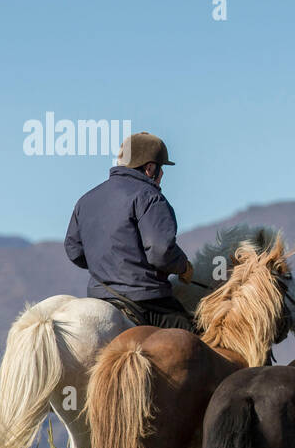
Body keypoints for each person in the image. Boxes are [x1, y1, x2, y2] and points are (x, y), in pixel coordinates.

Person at [64, 132, 196, 331]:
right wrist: (183, 267)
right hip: (146, 301)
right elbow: (161, 252)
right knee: (196, 341)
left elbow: (74, 250)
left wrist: (109, 268)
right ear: (150, 168)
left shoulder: (86, 200)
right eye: (161, 169)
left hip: (100, 296)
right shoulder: (149, 197)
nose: (162, 176)